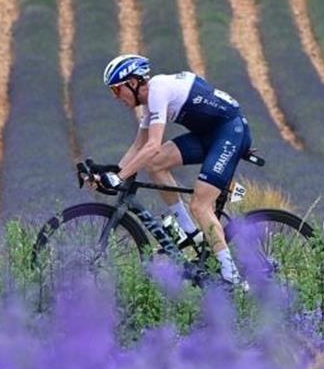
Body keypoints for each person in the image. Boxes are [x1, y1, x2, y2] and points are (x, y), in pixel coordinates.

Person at [97, 53, 251, 288]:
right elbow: (138, 145)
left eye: (117, 90)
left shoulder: (158, 90)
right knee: (155, 163)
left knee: (200, 204)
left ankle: (234, 281)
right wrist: (109, 173)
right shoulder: (149, 103)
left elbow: (152, 145)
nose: (115, 97)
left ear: (133, 82)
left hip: (230, 132)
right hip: (208, 135)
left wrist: (119, 177)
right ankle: (191, 233)